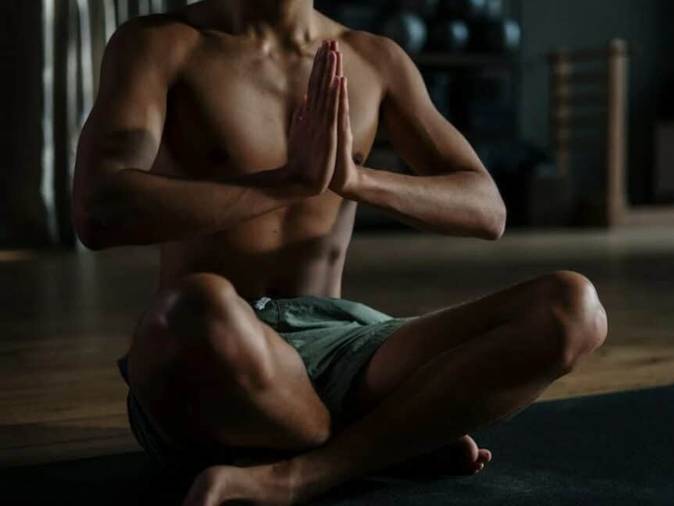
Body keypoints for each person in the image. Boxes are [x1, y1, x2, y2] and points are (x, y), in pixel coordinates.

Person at [72, 1, 608, 504]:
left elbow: (487, 208)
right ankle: (400, 434)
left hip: (344, 343)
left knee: (572, 307)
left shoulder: (374, 57)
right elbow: (97, 210)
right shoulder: (160, 44)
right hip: (212, 350)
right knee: (195, 309)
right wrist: (283, 185)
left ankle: (307, 471)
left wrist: (355, 179)